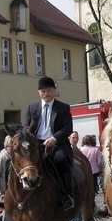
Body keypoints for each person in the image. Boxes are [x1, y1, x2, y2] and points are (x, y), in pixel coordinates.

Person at [23, 76, 75, 211]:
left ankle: (67, 195)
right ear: (39, 93)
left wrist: (54, 138)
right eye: (43, 91)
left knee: (62, 160)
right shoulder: (32, 107)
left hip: (56, 144)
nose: (46, 94)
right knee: (13, 161)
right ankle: (8, 195)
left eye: (49, 91)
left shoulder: (63, 108)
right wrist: (29, 138)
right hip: (36, 145)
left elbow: (68, 128)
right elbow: (25, 126)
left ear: (54, 91)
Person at [68, 131, 84, 221]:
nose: (75, 139)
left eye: (77, 137)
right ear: (69, 138)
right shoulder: (68, 149)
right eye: (73, 137)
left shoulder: (78, 150)